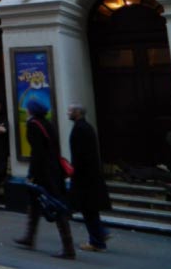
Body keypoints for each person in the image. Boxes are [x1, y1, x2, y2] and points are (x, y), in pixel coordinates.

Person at [13, 97, 75, 260]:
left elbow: (37, 153)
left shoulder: (33, 125)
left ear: (31, 110)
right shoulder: (47, 124)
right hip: (54, 170)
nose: (26, 110)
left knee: (55, 205)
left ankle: (68, 248)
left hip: (43, 173)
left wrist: (32, 175)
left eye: (28, 108)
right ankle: (29, 237)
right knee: (35, 203)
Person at [68, 104, 111, 252]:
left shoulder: (80, 129)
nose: (68, 113)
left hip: (84, 177)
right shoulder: (86, 127)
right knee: (90, 209)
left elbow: (80, 155)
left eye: (70, 111)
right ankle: (100, 233)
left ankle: (97, 242)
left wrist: (74, 171)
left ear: (77, 112)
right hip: (89, 175)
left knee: (88, 209)